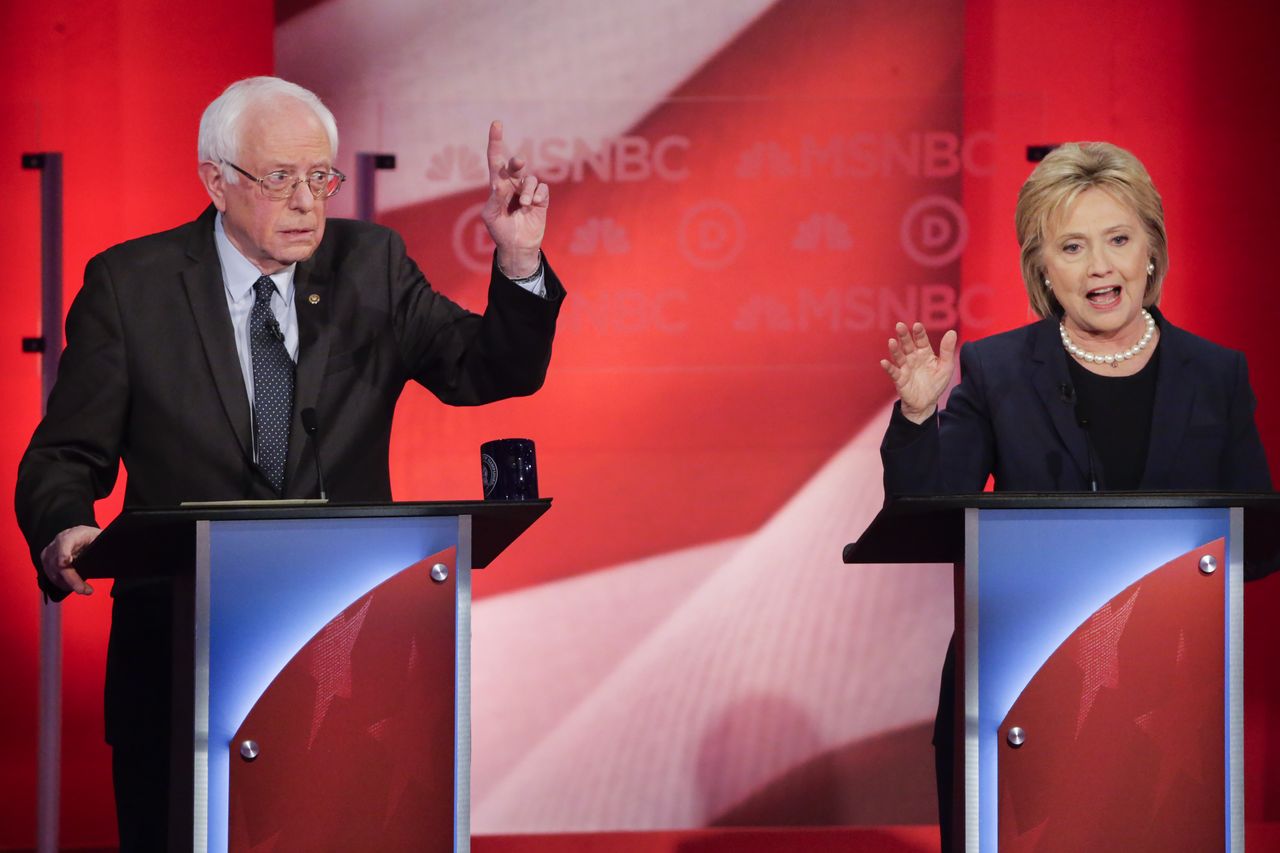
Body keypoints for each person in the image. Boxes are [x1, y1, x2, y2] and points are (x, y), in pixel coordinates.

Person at [14, 76, 563, 849]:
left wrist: (519, 259)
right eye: (280, 179)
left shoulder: (370, 264)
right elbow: (65, 453)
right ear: (216, 181)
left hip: (353, 662)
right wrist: (65, 527)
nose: (308, 201)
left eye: (321, 177)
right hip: (180, 666)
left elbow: (487, 370)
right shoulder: (130, 286)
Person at [877, 141, 1272, 849]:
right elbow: (928, 513)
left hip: (1171, 708)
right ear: (1043, 269)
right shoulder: (996, 371)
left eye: (1119, 239)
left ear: (1151, 251)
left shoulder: (1215, 374)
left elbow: (1259, 543)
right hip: (1021, 701)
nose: (1100, 266)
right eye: (1072, 246)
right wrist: (916, 418)